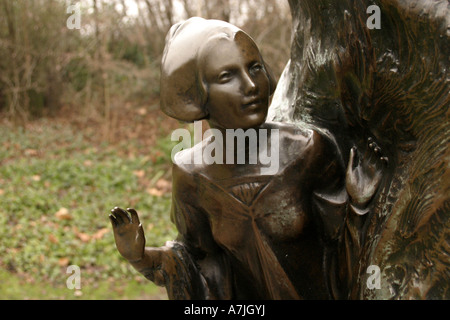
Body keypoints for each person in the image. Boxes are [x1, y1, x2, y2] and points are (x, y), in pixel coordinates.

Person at [109, 17, 386, 299]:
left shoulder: (306, 150)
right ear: (199, 95)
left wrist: (359, 206)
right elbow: (197, 261)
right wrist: (140, 257)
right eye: (227, 76)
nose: (252, 85)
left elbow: (342, 250)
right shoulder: (191, 174)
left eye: (255, 68)